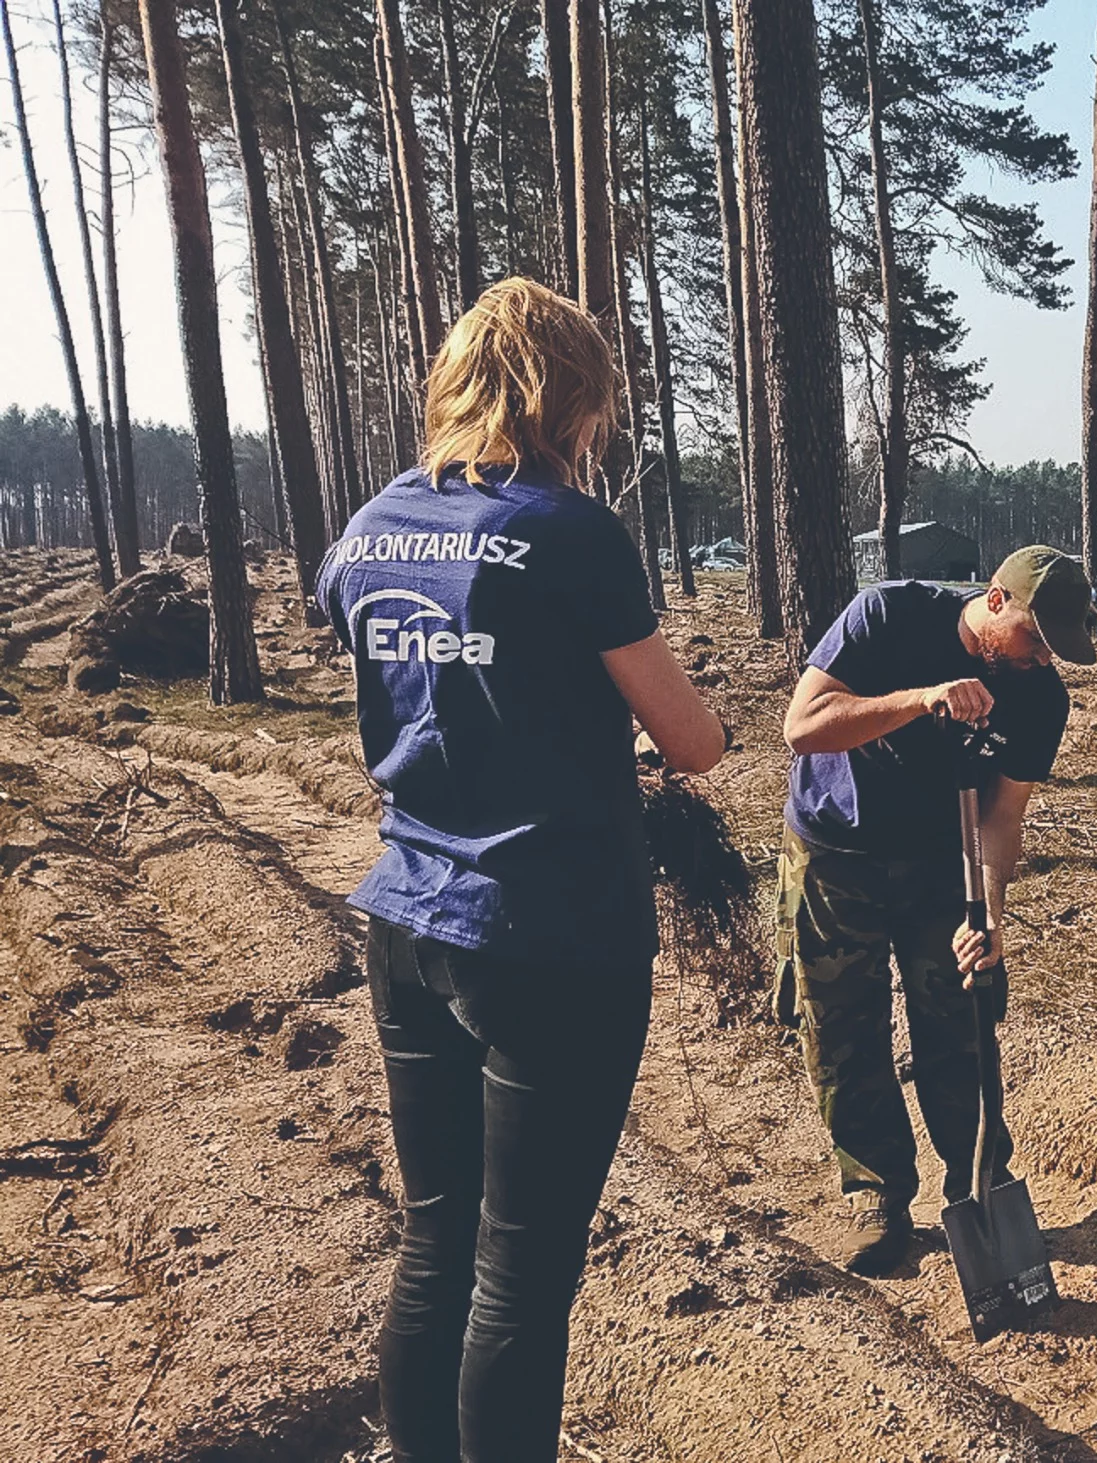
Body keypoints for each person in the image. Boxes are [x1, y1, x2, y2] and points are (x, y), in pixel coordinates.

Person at [316, 277, 726, 1461]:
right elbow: (689, 739)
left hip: (408, 920)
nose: (597, 437)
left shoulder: (373, 523)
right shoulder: (567, 532)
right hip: (554, 936)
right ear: (570, 401)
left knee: (436, 1240)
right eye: (595, 412)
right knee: (522, 1271)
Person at [777, 546, 1094, 1275]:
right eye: (1035, 638)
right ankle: (876, 1193)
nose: (1043, 659)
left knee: (963, 1013)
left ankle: (981, 1185)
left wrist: (987, 911)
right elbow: (803, 725)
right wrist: (921, 699)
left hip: (940, 859)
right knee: (843, 1024)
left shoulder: (1040, 696)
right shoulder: (886, 615)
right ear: (994, 601)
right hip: (835, 846)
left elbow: (1003, 813)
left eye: (1056, 649)